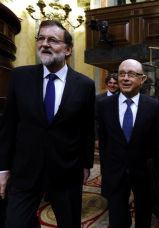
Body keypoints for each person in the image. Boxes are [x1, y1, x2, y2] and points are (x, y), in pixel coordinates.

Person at [0, 20, 96, 228]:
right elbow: (8, 125)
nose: (45, 44)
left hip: (66, 169)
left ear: (68, 49)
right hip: (25, 168)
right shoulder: (20, 76)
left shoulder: (85, 85)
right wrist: (3, 168)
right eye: (41, 39)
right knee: (15, 223)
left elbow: (86, 128)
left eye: (53, 40)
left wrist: (86, 164)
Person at [97, 59, 159, 228]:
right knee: (117, 218)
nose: (125, 78)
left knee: (143, 216)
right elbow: (104, 141)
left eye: (131, 74)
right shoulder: (104, 105)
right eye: (122, 73)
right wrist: (106, 169)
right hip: (115, 172)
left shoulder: (153, 106)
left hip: (143, 172)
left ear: (142, 79)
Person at [94, 73, 119, 149]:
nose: (112, 85)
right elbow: (94, 119)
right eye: (110, 83)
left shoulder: (124, 97)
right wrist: (96, 138)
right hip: (104, 136)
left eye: (115, 83)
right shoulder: (98, 99)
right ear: (107, 83)